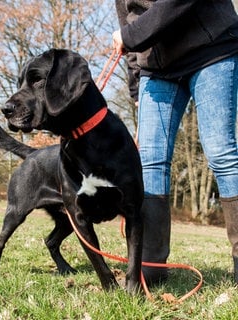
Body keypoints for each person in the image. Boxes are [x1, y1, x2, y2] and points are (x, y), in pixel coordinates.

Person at [112, 0, 238, 285]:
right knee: (151, 162)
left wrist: (131, 36)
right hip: (157, 68)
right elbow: (127, 19)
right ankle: (151, 266)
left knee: (221, 151)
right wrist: (135, 82)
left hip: (211, 49)